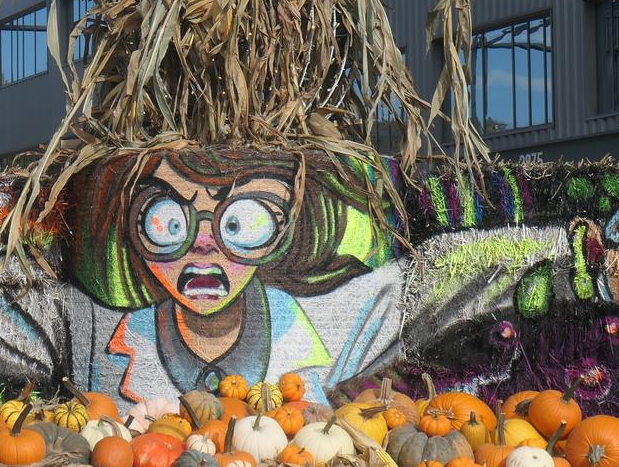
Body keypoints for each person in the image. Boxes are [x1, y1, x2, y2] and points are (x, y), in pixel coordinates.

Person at [67, 150, 402, 404]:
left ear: (283, 231)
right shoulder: (88, 328)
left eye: (240, 222)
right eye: (170, 222)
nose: (203, 244)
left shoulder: (357, 318)